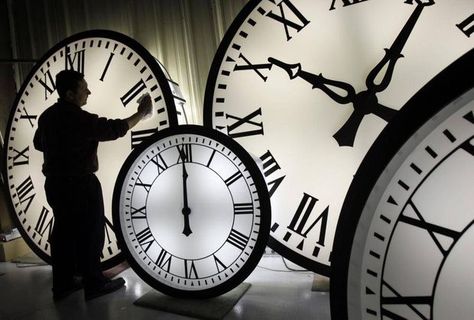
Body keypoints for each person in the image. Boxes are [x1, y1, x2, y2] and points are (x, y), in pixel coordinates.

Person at [33, 69, 152, 301]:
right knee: (90, 233)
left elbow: (39, 143)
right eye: (83, 88)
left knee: (63, 233)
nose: (89, 91)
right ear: (69, 94)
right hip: (81, 184)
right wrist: (141, 113)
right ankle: (94, 283)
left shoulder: (47, 117)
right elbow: (114, 129)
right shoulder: (78, 118)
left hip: (55, 184)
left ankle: (63, 283)